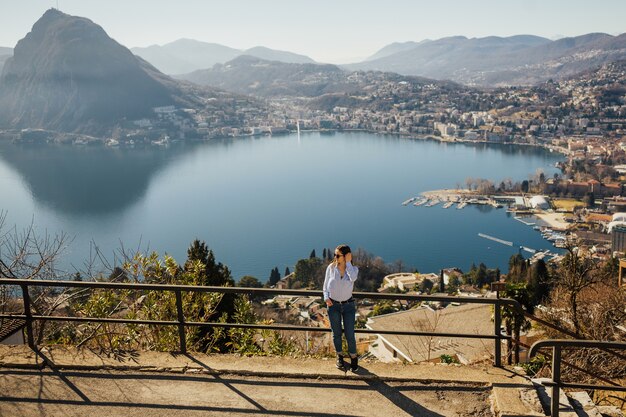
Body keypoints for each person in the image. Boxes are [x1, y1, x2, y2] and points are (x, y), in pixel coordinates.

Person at [323, 244, 359, 372]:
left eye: (338, 255)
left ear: (346, 256)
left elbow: (353, 278)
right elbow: (325, 286)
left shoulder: (353, 270)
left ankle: (353, 357)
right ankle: (339, 356)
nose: (335, 257)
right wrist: (326, 297)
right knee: (336, 334)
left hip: (348, 306)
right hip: (333, 306)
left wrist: (348, 263)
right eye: (335, 254)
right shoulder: (331, 268)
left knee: (350, 334)